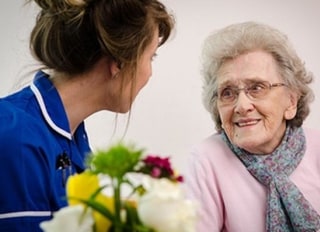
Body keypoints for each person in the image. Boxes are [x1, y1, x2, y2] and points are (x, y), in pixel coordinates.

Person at [0, 0, 174, 231]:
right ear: (120, 62)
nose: (149, 73)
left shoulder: (75, 137)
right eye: (150, 57)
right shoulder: (16, 140)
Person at [184, 21, 320, 232]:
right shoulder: (206, 160)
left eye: (257, 88)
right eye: (228, 92)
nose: (242, 106)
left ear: (291, 101)